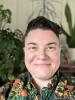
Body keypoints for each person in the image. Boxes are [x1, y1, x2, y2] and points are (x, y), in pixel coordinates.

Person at [0, 16, 75, 100]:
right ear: (25, 51)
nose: (42, 56)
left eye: (50, 48)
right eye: (33, 48)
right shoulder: (5, 93)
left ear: (59, 51)